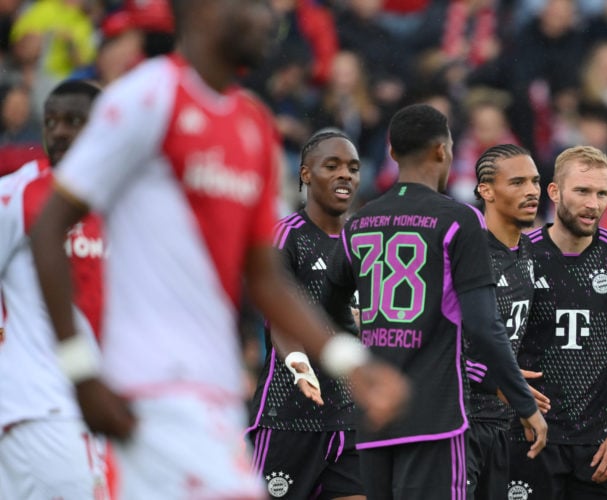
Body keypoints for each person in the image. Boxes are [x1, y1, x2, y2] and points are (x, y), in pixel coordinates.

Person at [28, 1, 407, 498]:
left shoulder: (252, 123)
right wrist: (81, 370)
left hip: (219, 390)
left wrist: (345, 359)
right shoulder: (149, 96)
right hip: (147, 388)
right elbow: (49, 226)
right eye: (253, 7)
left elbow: (265, 276)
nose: (268, 19)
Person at [320, 104, 547, 500]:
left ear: (392, 153)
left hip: (375, 421)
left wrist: (356, 362)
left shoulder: (358, 222)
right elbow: (483, 325)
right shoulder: (459, 219)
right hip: (436, 420)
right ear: (443, 151)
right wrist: (525, 404)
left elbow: (327, 305)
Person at [508, 145, 607, 500]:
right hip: (529, 434)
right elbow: (496, 336)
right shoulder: (520, 251)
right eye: (583, 191)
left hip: (599, 442)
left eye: (602, 193)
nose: (594, 203)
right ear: (555, 192)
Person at [0, 80, 107, 499]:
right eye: (51, 122)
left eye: (75, 121)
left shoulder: (122, 204)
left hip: (80, 412)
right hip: (44, 412)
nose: (59, 131)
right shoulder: (18, 195)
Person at [247, 129, 365, 500]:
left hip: (348, 419)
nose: (345, 174)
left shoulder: (364, 241)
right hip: (288, 416)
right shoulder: (287, 236)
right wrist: (300, 365)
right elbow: (277, 315)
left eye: (353, 167)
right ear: (306, 174)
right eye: (332, 166)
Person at [466, 144, 550, 499]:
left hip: (502, 424)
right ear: (486, 190)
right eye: (517, 183)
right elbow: (435, 340)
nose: (532, 191)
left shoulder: (528, 251)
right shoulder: (466, 253)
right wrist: (495, 382)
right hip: (458, 423)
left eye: (534, 181)